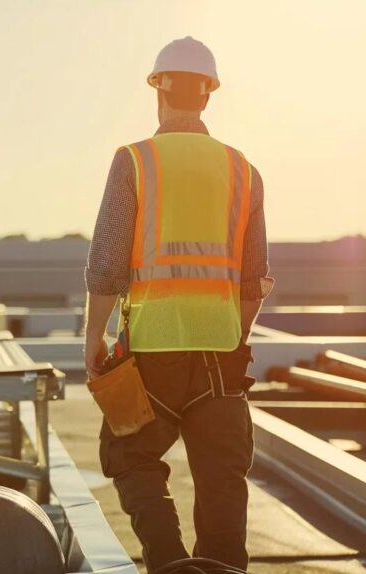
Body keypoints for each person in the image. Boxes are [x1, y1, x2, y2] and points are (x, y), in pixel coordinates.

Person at [83, 36, 274, 573]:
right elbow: (253, 277)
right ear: (208, 96)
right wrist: (233, 337)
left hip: (151, 352)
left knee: (130, 455)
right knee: (222, 477)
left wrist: (93, 338)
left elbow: (107, 265)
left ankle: (168, 563)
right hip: (220, 355)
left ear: (158, 91)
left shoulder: (135, 161)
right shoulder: (242, 169)